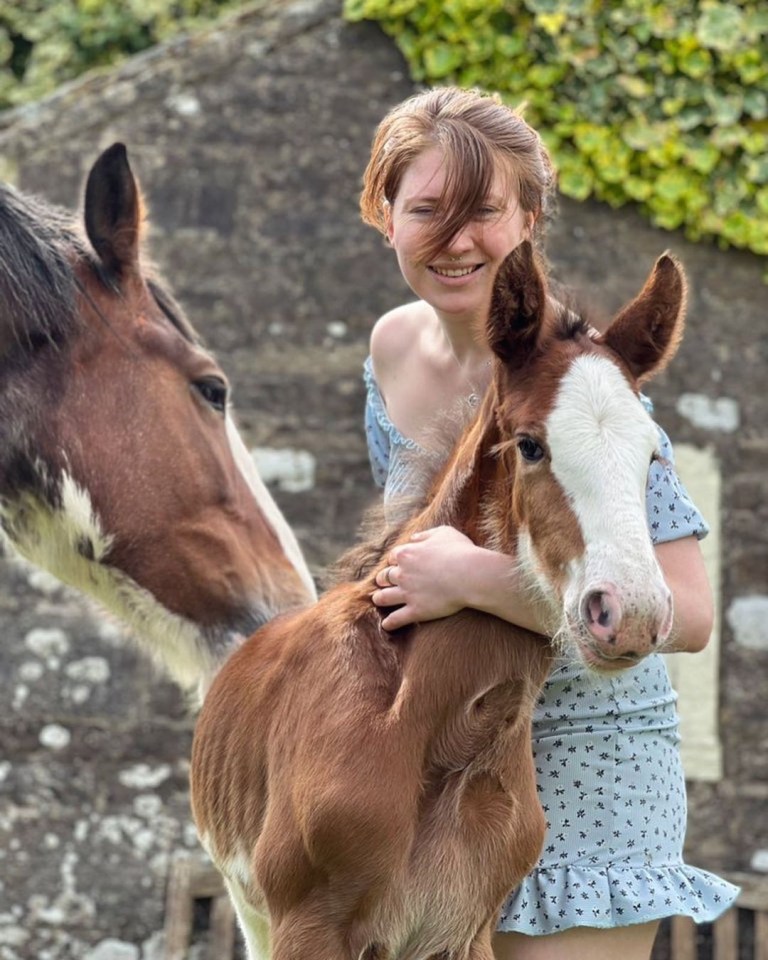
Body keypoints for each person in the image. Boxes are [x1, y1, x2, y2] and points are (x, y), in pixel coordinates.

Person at [358, 86, 739, 960]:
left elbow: (686, 613)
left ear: (528, 216)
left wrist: (469, 581)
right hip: (439, 762)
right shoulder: (388, 350)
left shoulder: (590, 375)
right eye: (426, 211)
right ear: (385, 218)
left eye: (484, 212)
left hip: (586, 757)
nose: (456, 240)